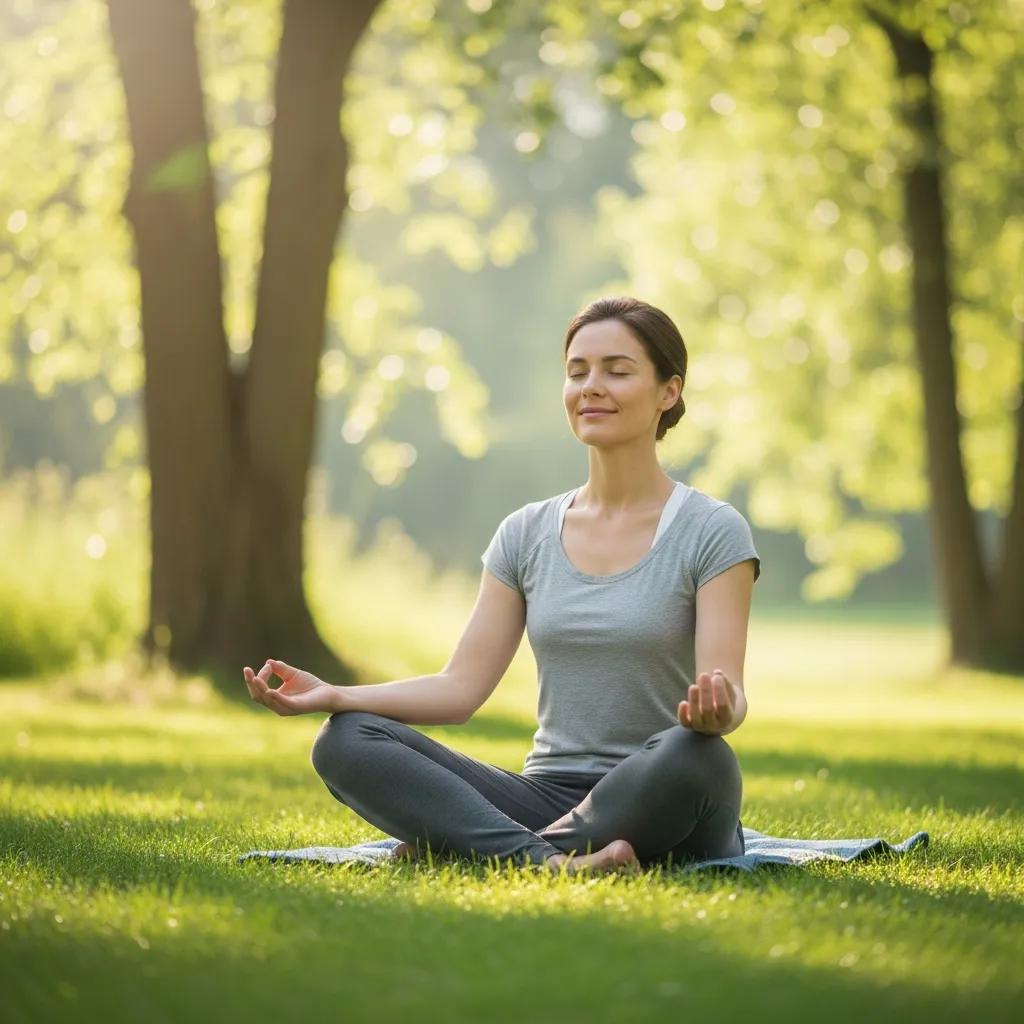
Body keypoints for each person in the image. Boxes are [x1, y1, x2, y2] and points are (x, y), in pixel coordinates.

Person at [243, 295, 760, 876]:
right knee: (345, 740)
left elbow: (729, 692)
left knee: (699, 757)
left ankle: (474, 846)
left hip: (662, 786)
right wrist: (336, 696)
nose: (591, 387)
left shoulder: (711, 530)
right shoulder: (526, 532)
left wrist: (719, 713)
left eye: (617, 371)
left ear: (668, 391)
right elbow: (459, 689)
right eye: (577, 372)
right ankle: (548, 861)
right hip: (546, 795)